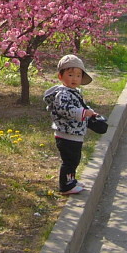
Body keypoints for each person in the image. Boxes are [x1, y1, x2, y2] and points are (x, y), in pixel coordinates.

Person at [44, 54, 106, 195]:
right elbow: (65, 109)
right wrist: (83, 113)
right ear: (60, 76)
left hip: (75, 134)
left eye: (78, 75)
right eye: (70, 74)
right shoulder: (62, 94)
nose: (74, 78)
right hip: (66, 134)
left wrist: (89, 112)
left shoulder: (75, 92)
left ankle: (72, 180)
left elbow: (79, 105)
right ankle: (65, 185)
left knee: (75, 159)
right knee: (69, 161)